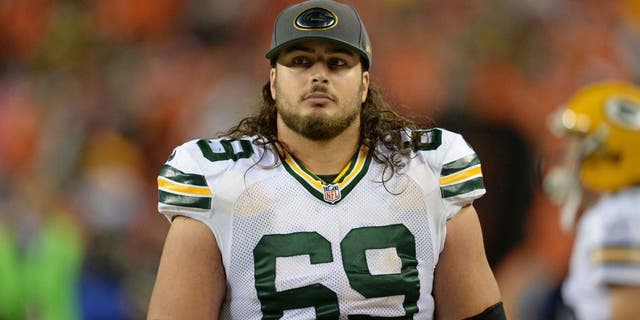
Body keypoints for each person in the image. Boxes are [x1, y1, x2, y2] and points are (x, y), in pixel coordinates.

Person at [147, 0, 503, 319]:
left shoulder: (427, 170)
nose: (318, 75)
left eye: (337, 63)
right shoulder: (218, 179)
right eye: (300, 61)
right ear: (273, 81)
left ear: (364, 84)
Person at [544, 81, 640, 319]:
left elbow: (628, 311)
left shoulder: (615, 217)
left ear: (610, 152)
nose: (567, 161)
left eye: (574, 148)